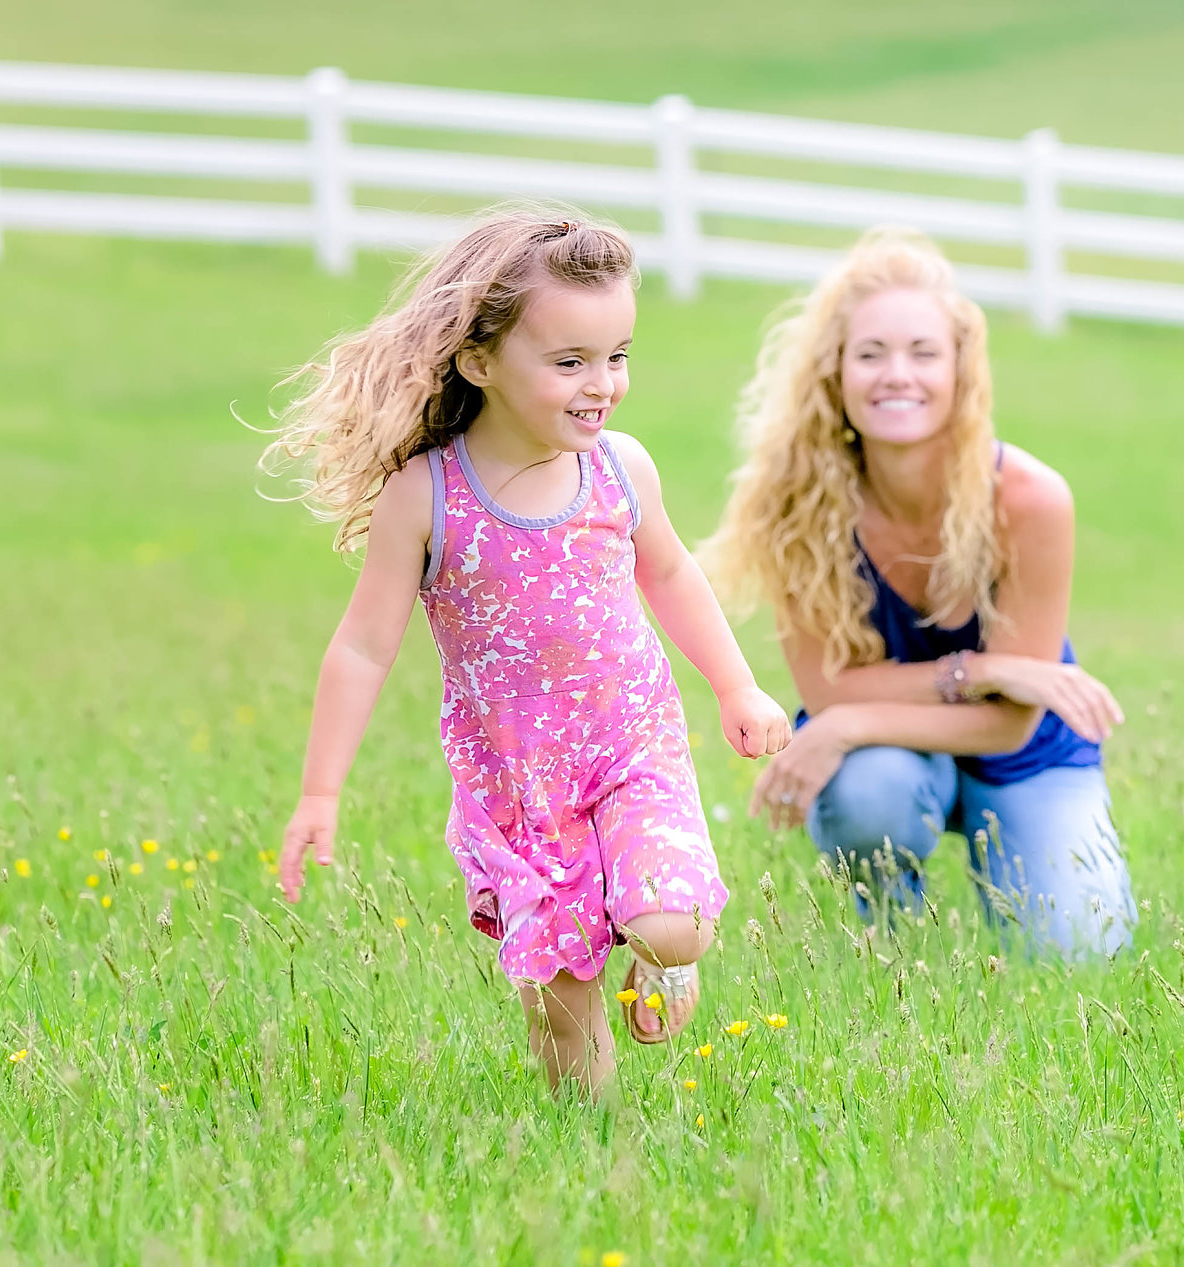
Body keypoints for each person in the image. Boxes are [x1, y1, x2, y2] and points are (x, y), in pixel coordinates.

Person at [264, 210, 790, 1095]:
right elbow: (362, 646)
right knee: (564, 1001)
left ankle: (668, 964)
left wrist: (737, 687)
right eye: (570, 361)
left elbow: (671, 574)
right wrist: (320, 791)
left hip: (630, 744)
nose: (604, 384)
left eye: (617, 355)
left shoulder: (622, 468)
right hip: (516, 780)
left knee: (675, 921)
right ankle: (592, 1141)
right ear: (480, 361)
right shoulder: (427, 493)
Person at [701, 227, 1134, 960]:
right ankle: (895, 946)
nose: (896, 374)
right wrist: (983, 673)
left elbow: (1009, 728)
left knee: (1081, 957)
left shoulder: (1028, 499)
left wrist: (845, 720)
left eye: (923, 352)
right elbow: (829, 691)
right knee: (870, 796)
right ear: (834, 372)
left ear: (962, 370)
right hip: (887, 750)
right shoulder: (797, 502)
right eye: (870, 353)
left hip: (1029, 752)